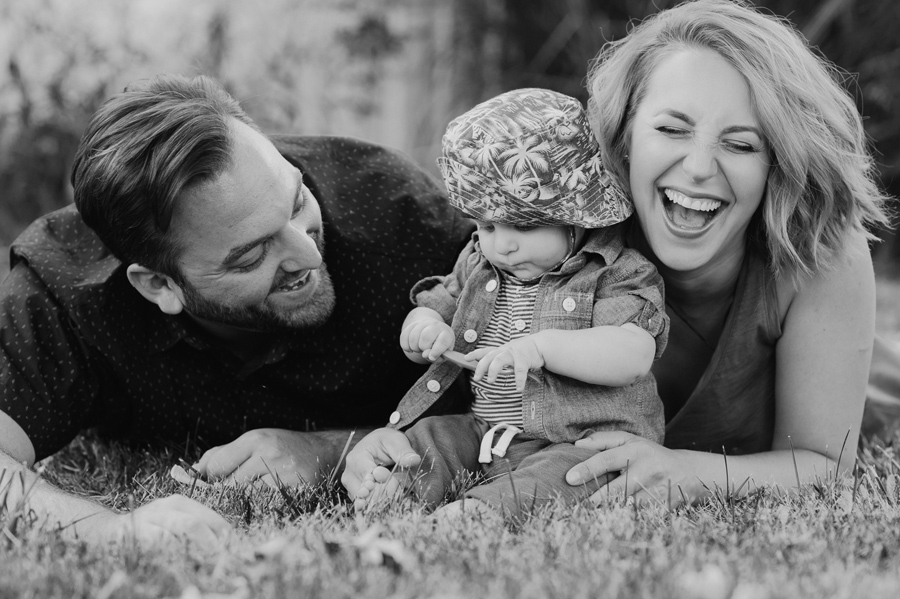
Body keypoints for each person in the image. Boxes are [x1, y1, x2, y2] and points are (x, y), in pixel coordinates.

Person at [341, 0, 894, 509]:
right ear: (624, 138)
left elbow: (825, 465)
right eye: (672, 129)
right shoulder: (554, 233)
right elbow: (469, 399)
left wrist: (686, 472)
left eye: (742, 143)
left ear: (780, 161)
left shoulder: (818, 253)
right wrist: (370, 452)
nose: (700, 167)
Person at [0, 74, 472, 544]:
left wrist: (332, 450)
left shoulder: (405, 224)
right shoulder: (64, 289)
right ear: (159, 284)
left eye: (297, 202)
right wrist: (113, 530)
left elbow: (529, 405)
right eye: (251, 256)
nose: (309, 256)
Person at [345, 88, 669, 516]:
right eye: (487, 225)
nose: (504, 245)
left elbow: (633, 354)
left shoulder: (614, 271)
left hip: (577, 439)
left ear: (576, 216)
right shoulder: (479, 264)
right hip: (485, 430)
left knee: (568, 476)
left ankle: (483, 513)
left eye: (522, 225)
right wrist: (422, 329)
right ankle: (400, 487)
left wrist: (540, 348)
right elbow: (437, 303)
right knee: (432, 438)